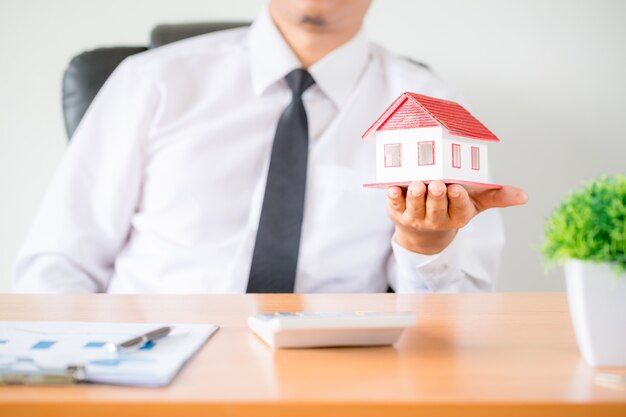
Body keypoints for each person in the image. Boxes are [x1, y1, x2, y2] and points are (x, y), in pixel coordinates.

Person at [12, 0, 527, 294]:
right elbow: (57, 266)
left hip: (338, 381)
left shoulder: (433, 106)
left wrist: (424, 249)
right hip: (150, 365)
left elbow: (462, 322)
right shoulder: (152, 83)